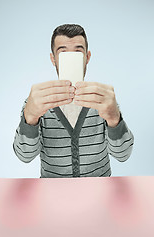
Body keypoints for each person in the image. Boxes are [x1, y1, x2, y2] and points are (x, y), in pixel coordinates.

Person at [13, 24, 134, 178]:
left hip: (100, 193)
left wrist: (114, 119)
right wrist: (29, 118)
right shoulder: (37, 102)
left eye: (78, 52)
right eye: (63, 53)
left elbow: (123, 155)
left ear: (87, 57)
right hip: (53, 194)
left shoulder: (102, 100)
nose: (71, 59)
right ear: (53, 59)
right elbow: (25, 157)